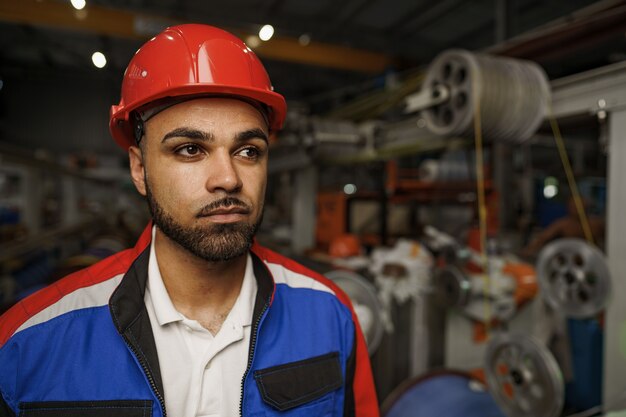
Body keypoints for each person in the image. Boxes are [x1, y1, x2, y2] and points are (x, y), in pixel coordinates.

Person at [0, 24, 379, 417]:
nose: (228, 178)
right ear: (138, 168)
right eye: (190, 149)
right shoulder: (27, 344)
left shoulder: (328, 314)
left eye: (248, 151)